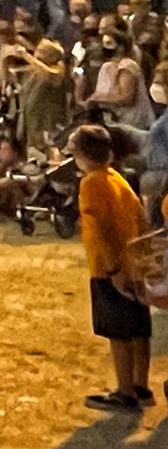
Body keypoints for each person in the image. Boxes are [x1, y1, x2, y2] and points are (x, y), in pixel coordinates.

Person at [70, 123, 154, 410]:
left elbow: (103, 229)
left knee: (118, 333)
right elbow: (141, 218)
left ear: (81, 155)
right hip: (133, 262)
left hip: (110, 268)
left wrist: (114, 271)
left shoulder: (91, 183)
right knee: (139, 329)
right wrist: (139, 264)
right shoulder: (117, 177)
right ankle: (142, 386)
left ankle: (125, 391)